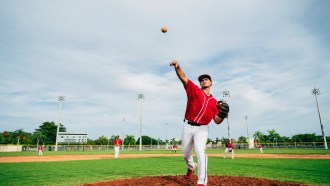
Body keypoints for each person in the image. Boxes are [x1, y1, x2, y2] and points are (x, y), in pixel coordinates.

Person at [170, 60, 229, 186]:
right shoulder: (194, 90)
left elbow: (217, 120)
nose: (204, 81)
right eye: (202, 80)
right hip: (187, 125)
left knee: (200, 151)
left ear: (211, 82)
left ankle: (202, 181)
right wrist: (177, 67)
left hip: (202, 128)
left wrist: (223, 115)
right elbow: (183, 78)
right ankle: (192, 166)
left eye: (206, 79)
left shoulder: (215, 102)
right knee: (185, 153)